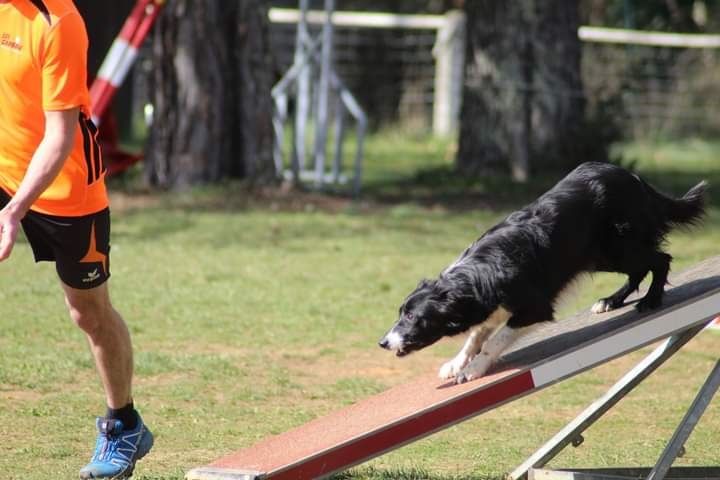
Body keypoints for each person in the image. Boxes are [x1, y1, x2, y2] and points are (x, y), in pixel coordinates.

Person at [0, 0, 153, 478]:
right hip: (4, 167)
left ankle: (124, 424)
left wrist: (14, 209)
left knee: (88, 313)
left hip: (66, 188)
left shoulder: (59, 23)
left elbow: (60, 135)